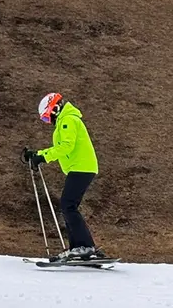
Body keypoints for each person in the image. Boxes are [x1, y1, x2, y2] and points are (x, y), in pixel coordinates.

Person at [22, 92, 106, 261]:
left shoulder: (68, 120)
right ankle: (79, 248)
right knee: (68, 206)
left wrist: (43, 157)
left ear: (55, 109)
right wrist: (38, 154)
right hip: (81, 168)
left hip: (81, 168)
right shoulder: (65, 120)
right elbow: (61, 147)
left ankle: (85, 247)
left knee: (68, 205)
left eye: (47, 118)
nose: (48, 122)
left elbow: (66, 147)